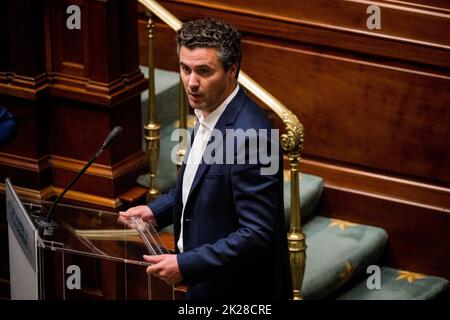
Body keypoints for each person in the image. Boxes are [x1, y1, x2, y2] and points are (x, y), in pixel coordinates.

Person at [119, 17, 292, 300]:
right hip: (208, 282)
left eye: (203, 71)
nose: (192, 83)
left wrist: (187, 264)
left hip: (240, 292)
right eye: (185, 69)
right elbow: (197, 186)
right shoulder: (208, 111)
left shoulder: (253, 137)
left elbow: (258, 233)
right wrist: (156, 212)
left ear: (232, 70)